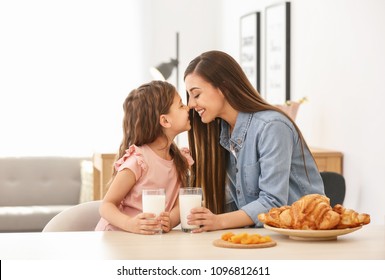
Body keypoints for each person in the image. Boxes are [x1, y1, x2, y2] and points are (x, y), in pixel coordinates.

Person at [183, 50, 324, 232]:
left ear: (224, 87)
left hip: (302, 236)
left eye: (196, 94)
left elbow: (273, 204)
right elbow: (233, 203)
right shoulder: (223, 133)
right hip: (263, 237)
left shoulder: (272, 126)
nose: (191, 105)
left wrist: (218, 222)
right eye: (188, 96)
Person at [95, 80, 193, 234]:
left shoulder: (179, 160)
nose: (188, 108)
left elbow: (179, 202)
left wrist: (171, 219)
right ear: (165, 121)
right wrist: (130, 224)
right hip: (118, 238)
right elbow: (106, 205)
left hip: (149, 240)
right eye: (181, 105)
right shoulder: (139, 161)